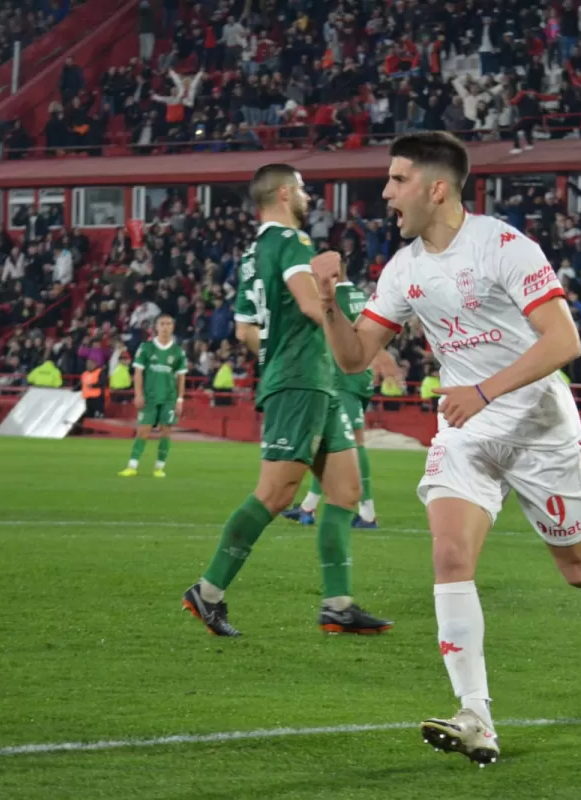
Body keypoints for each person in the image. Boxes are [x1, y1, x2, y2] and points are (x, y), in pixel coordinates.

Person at [314, 132, 581, 766]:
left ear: (437, 189)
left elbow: (564, 341)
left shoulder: (504, 246)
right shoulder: (403, 269)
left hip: (538, 427)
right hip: (466, 429)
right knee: (450, 555)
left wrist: (483, 391)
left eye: (398, 180)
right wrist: (327, 302)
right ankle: (475, 716)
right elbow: (353, 358)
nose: (386, 193)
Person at [182, 163, 391, 638]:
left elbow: (244, 331)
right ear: (282, 193)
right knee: (276, 494)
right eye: (301, 189)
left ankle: (338, 605)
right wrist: (361, 343)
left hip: (313, 379)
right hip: (302, 380)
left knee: (345, 491)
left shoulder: (252, 254)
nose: (307, 197)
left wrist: (279, 354)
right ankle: (207, 591)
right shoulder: (292, 241)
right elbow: (310, 303)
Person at [282, 260, 396, 529]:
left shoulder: (336, 300)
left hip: (343, 377)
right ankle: (308, 506)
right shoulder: (360, 295)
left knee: (353, 442)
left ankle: (367, 513)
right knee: (329, 442)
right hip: (360, 377)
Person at [118, 315, 186, 478]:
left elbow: (181, 377)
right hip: (149, 397)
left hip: (169, 398)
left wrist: (180, 400)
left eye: (168, 324)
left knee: (166, 431)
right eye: (162, 324)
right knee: (143, 430)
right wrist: (138, 394)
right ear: (156, 327)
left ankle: (159, 468)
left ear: (173, 327)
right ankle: (132, 466)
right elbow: (138, 372)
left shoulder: (178, 351)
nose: (165, 327)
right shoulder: (146, 347)